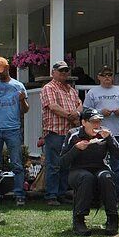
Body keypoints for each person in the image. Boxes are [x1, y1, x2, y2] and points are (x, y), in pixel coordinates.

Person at [60, 107, 119, 237]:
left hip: (100, 167)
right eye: (93, 122)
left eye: (99, 121)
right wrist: (76, 149)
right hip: (78, 170)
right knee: (86, 177)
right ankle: (79, 219)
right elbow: (62, 162)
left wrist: (110, 139)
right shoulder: (74, 134)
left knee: (106, 177)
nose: (97, 125)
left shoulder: (105, 134)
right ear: (83, 122)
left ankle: (112, 218)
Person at [0, 56, 29, 206]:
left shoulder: (18, 86)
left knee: (16, 162)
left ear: (8, 69)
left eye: (1, 72)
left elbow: (25, 110)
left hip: (13, 129)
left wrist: (22, 100)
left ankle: (19, 194)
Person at [82, 66, 119, 188]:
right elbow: (85, 111)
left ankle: (116, 192)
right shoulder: (93, 92)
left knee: (118, 164)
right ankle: (98, 191)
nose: (107, 77)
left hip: (118, 133)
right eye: (104, 75)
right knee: (96, 162)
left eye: (110, 75)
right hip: (97, 133)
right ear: (99, 77)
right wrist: (100, 113)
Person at [40, 61, 81, 207]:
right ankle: (51, 195)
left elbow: (79, 104)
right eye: (60, 71)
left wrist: (76, 113)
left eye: (66, 71)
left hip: (69, 133)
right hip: (55, 132)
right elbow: (53, 107)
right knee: (54, 165)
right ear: (53, 72)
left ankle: (62, 194)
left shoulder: (71, 89)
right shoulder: (49, 88)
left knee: (66, 164)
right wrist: (71, 116)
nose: (64, 73)